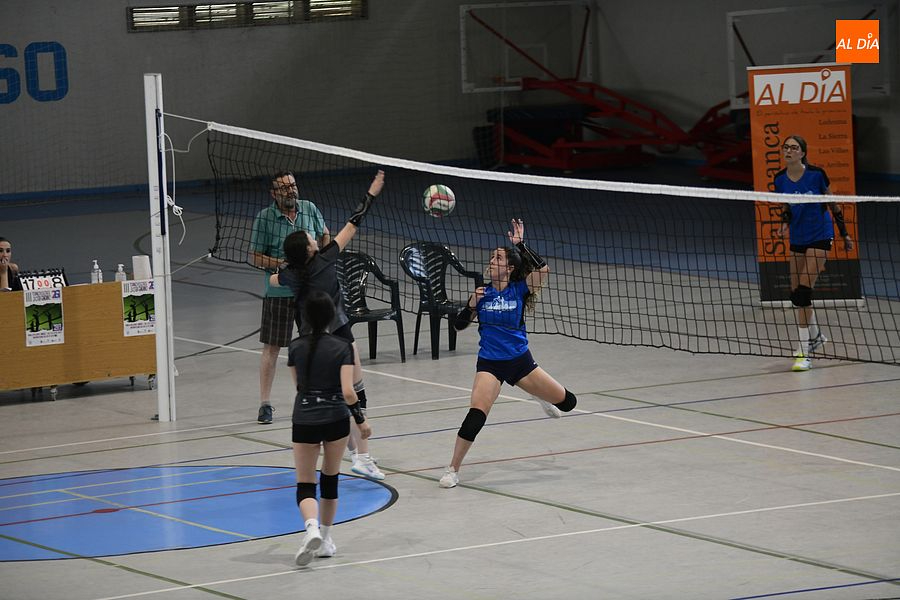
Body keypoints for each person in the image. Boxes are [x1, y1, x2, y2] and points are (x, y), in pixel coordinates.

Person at [439, 219, 577, 489]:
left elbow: (543, 269)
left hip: (520, 362)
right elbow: (458, 326)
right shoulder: (482, 293)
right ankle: (452, 469)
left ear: (510, 268)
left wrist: (520, 245)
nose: (492, 261)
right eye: (491, 257)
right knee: (476, 415)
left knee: (568, 403)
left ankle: (537, 393)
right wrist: (470, 307)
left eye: (498, 257)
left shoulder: (520, 289)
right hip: (490, 364)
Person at [271, 170, 386, 481]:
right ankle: (361, 455)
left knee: (336, 396)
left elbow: (273, 279)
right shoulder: (326, 258)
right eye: (310, 238)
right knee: (354, 395)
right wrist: (372, 192)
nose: (314, 237)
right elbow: (354, 222)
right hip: (338, 335)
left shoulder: (292, 275)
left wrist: (284, 273)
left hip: (307, 343)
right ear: (310, 249)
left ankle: (358, 454)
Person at [289, 289, 372, 566]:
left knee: (305, 484)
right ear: (331, 317)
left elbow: (299, 386)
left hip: (304, 418)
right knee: (330, 479)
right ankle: (325, 539)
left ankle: (310, 527)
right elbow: (349, 392)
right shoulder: (343, 347)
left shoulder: (295, 347)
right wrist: (360, 421)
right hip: (336, 419)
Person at [249, 172, 330, 424]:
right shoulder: (264, 219)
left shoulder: (309, 209)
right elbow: (255, 257)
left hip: (309, 293)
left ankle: (316, 395)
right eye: (284, 189)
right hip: (279, 291)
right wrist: (285, 263)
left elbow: (325, 234)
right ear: (274, 194)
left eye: (293, 186)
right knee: (272, 348)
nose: (291, 192)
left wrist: (322, 257)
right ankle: (265, 404)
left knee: (315, 344)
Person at [775, 135, 853, 372]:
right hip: (798, 236)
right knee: (795, 293)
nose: (789, 151)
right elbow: (786, 206)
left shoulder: (816, 175)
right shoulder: (779, 179)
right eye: (786, 147)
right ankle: (816, 335)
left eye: (794, 148)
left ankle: (804, 352)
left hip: (821, 233)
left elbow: (833, 205)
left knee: (803, 292)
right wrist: (785, 223)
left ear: (802, 152)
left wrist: (844, 233)